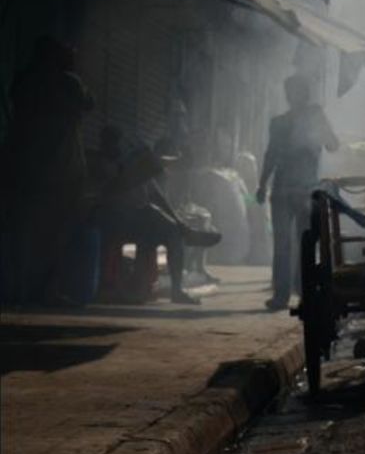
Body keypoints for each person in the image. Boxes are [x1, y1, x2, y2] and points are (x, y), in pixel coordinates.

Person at [3, 36, 95, 303]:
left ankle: (19, 289)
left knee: (22, 231)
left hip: (21, 164)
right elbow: (89, 103)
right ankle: (47, 291)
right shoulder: (68, 82)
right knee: (54, 233)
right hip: (56, 170)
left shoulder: (23, 79)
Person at [90, 126, 221, 305]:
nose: (116, 146)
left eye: (118, 142)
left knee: (173, 231)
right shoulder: (100, 164)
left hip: (141, 216)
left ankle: (177, 289)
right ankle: (185, 233)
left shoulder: (131, 163)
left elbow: (156, 195)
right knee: (156, 221)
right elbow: (103, 195)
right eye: (111, 142)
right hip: (115, 218)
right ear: (104, 144)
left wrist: (177, 221)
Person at [256, 74, 340, 311]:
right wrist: (262, 184)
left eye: (297, 91)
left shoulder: (313, 117)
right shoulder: (280, 122)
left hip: (303, 191)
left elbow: (333, 145)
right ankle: (285, 295)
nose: (294, 96)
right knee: (288, 245)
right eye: (292, 91)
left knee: (301, 244)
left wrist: (320, 127)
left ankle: (299, 293)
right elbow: (271, 155)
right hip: (285, 191)